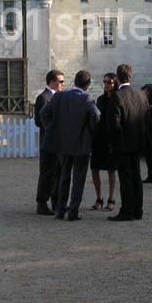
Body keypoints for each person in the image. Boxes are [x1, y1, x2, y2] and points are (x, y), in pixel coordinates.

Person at [40, 70, 99, 221]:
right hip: (81, 145)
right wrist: (90, 131)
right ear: (87, 85)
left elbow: (44, 113)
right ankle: (73, 211)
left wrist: (54, 129)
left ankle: (60, 210)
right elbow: (96, 116)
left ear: (75, 81)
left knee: (64, 177)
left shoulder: (60, 96)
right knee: (78, 179)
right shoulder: (87, 98)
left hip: (63, 143)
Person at [106, 64, 147, 222]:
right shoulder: (141, 95)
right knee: (136, 176)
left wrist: (112, 142)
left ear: (117, 78)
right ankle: (138, 209)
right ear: (131, 76)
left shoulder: (117, 96)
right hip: (137, 141)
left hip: (122, 144)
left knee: (126, 178)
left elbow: (114, 124)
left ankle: (127, 210)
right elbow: (145, 119)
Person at [34, 69, 64, 215]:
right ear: (52, 82)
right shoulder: (43, 98)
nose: (63, 84)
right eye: (60, 81)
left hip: (58, 142)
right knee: (47, 173)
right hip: (48, 142)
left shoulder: (58, 97)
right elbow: (38, 120)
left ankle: (56, 202)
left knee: (58, 172)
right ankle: (42, 203)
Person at [90, 73, 117, 211]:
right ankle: (99, 198)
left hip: (110, 139)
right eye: (105, 82)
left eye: (109, 82)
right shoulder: (100, 99)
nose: (106, 85)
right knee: (94, 169)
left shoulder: (117, 99)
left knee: (111, 170)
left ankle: (111, 198)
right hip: (98, 138)